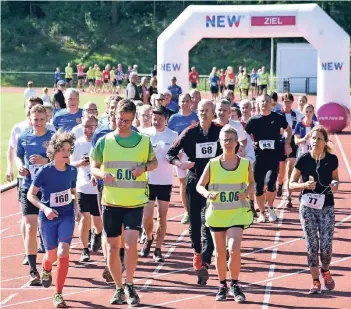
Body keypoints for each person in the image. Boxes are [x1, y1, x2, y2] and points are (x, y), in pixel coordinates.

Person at [91, 99, 157, 306]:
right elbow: (93, 167)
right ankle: (118, 288)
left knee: (130, 246)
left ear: (133, 119)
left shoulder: (143, 141)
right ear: (115, 118)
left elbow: (154, 162)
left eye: (128, 121)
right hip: (111, 202)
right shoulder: (105, 141)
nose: (123, 124)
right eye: (120, 120)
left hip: (134, 203)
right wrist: (102, 174)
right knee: (111, 248)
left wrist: (143, 168)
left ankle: (130, 284)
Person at [166, 100, 222, 285]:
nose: (203, 113)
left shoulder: (220, 131)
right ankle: (197, 252)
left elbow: (234, 149)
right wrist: (180, 164)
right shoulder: (190, 132)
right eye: (200, 110)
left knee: (209, 221)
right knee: (195, 223)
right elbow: (171, 153)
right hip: (194, 180)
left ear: (213, 112)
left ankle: (205, 262)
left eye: (207, 110)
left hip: (214, 184)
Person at [196, 125, 254, 302]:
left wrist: (247, 192)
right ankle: (222, 285)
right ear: (220, 142)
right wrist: (207, 193)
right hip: (217, 214)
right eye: (225, 140)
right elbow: (199, 185)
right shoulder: (213, 164)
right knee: (220, 253)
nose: (228, 143)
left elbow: (252, 183)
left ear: (237, 142)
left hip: (237, 213)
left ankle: (235, 284)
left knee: (234, 250)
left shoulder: (244, 164)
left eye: (231, 140)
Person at [27, 130, 81, 308]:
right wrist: (45, 208)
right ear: (54, 151)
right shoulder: (45, 172)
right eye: (62, 149)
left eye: (68, 149)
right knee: (51, 255)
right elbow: (30, 195)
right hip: (48, 218)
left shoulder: (72, 171)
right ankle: (46, 267)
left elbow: (73, 191)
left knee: (63, 252)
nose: (66, 153)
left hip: (66, 215)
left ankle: (58, 294)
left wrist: (77, 208)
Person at [289, 126, 339, 294]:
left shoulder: (332, 159)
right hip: (307, 207)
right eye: (313, 138)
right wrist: (304, 185)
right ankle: (315, 281)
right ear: (309, 140)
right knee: (312, 245)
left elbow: (336, 181)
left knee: (326, 246)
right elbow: (291, 184)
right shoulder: (303, 159)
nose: (315, 141)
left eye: (319, 139)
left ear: (325, 142)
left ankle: (325, 270)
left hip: (327, 207)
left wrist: (335, 185)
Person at [17, 104, 55, 284]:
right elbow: (20, 158)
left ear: (47, 119)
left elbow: (62, 160)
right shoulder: (23, 136)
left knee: (48, 230)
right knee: (31, 227)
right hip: (29, 187)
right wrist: (22, 169)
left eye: (42, 119)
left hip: (49, 188)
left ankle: (47, 266)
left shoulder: (52, 137)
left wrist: (45, 160)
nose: (38, 123)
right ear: (30, 120)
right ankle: (33, 270)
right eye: (35, 120)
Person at [245, 94, 292, 223]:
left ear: (271, 103)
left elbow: (288, 129)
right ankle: (261, 213)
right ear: (258, 104)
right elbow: (244, 136)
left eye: (266, 101)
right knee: (258, 187)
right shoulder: (253, 120)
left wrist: (287, 143)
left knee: (271, 183)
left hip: (273, 157)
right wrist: (250, 145)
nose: (264, 104)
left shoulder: (278, 118)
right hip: (258, 158)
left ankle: (270, 208)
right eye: (261, 102)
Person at [140, 106, 178, 262]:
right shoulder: (144, 134)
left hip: (165, 182)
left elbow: (180, 154)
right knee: (147, 217)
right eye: (154, 119)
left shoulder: (173, 135)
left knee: (162, 216)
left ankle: (158, 249)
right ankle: (149, 237)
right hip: (148, 180)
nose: (156, 122)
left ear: (166, 119)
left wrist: (182, 163)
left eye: (159, 119)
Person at [71, 115, 102, 262]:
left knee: (98, 221)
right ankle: (84, 249)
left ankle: (98, 234)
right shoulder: (77, 144)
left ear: (96, 127)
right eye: (85, 127)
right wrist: (80, 163)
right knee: (84, 218)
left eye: (91, 127)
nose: (88, 130)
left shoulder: (101, 143)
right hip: (83, 186)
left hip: (99, 189)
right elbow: (70, 164)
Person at [168, 93, 199, 224]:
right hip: (180, 155)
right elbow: (169, 136)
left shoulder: (195, 116)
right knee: (183, 183)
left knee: (197, 181)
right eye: (182, 101)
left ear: (191, 102)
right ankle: (187, 211)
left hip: (194, 154)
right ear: (179, 103)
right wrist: (177, 151)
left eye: (187, 101)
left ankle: (198, 210)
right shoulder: (174, 118)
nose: (184, 104)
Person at [276, 93, 302, 208]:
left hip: (292, 144)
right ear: (282, 102)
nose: (287, 103)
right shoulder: (276, 114)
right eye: (285, 101)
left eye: (289, 101)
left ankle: (288, 197)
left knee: (290, 171)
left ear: (292, 102)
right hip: (279, 144)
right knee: (281, 172)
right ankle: (280, 183)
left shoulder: (297, 115)